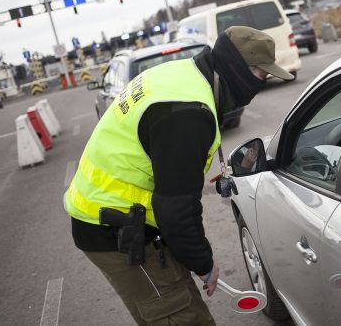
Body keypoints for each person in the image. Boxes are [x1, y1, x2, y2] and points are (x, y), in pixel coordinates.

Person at [64, 26, 294, 325]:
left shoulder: (182, 74)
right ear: (239, 69)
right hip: (118, 231)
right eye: (261, 75)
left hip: (112, 214)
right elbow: (176, 210)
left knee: (178, 299)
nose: (260, 85)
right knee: (178, 313)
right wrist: (204, 264)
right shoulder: (187, 115)